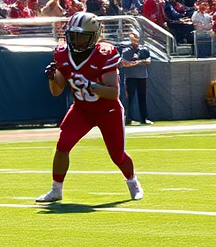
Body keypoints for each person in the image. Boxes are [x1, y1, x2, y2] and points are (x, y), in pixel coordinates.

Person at [38, 12, 143, 203]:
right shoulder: (62, 53)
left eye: (82, 37)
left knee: (117, 155)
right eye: (73, 36)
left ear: (94, 36)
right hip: (82, 110)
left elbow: (112, 93)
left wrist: (91, 85)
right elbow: (56, 90)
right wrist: (52, 78)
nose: (77, 41)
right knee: (62, 146)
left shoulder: (105, 53)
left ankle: (132, 182)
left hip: (108, 111)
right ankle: (56, 189)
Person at [120, 31, 152, 125]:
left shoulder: (143, 49)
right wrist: (134, 63)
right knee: (129, 98)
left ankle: (144, 118)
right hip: (130, 77)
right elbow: (125, 63)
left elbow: (148, 60)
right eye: (133, 38)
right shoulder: (126, 50)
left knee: (142, 98)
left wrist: (137, 62)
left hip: (142, 76)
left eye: (136, 38)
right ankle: (128, 119)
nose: (135, 40)